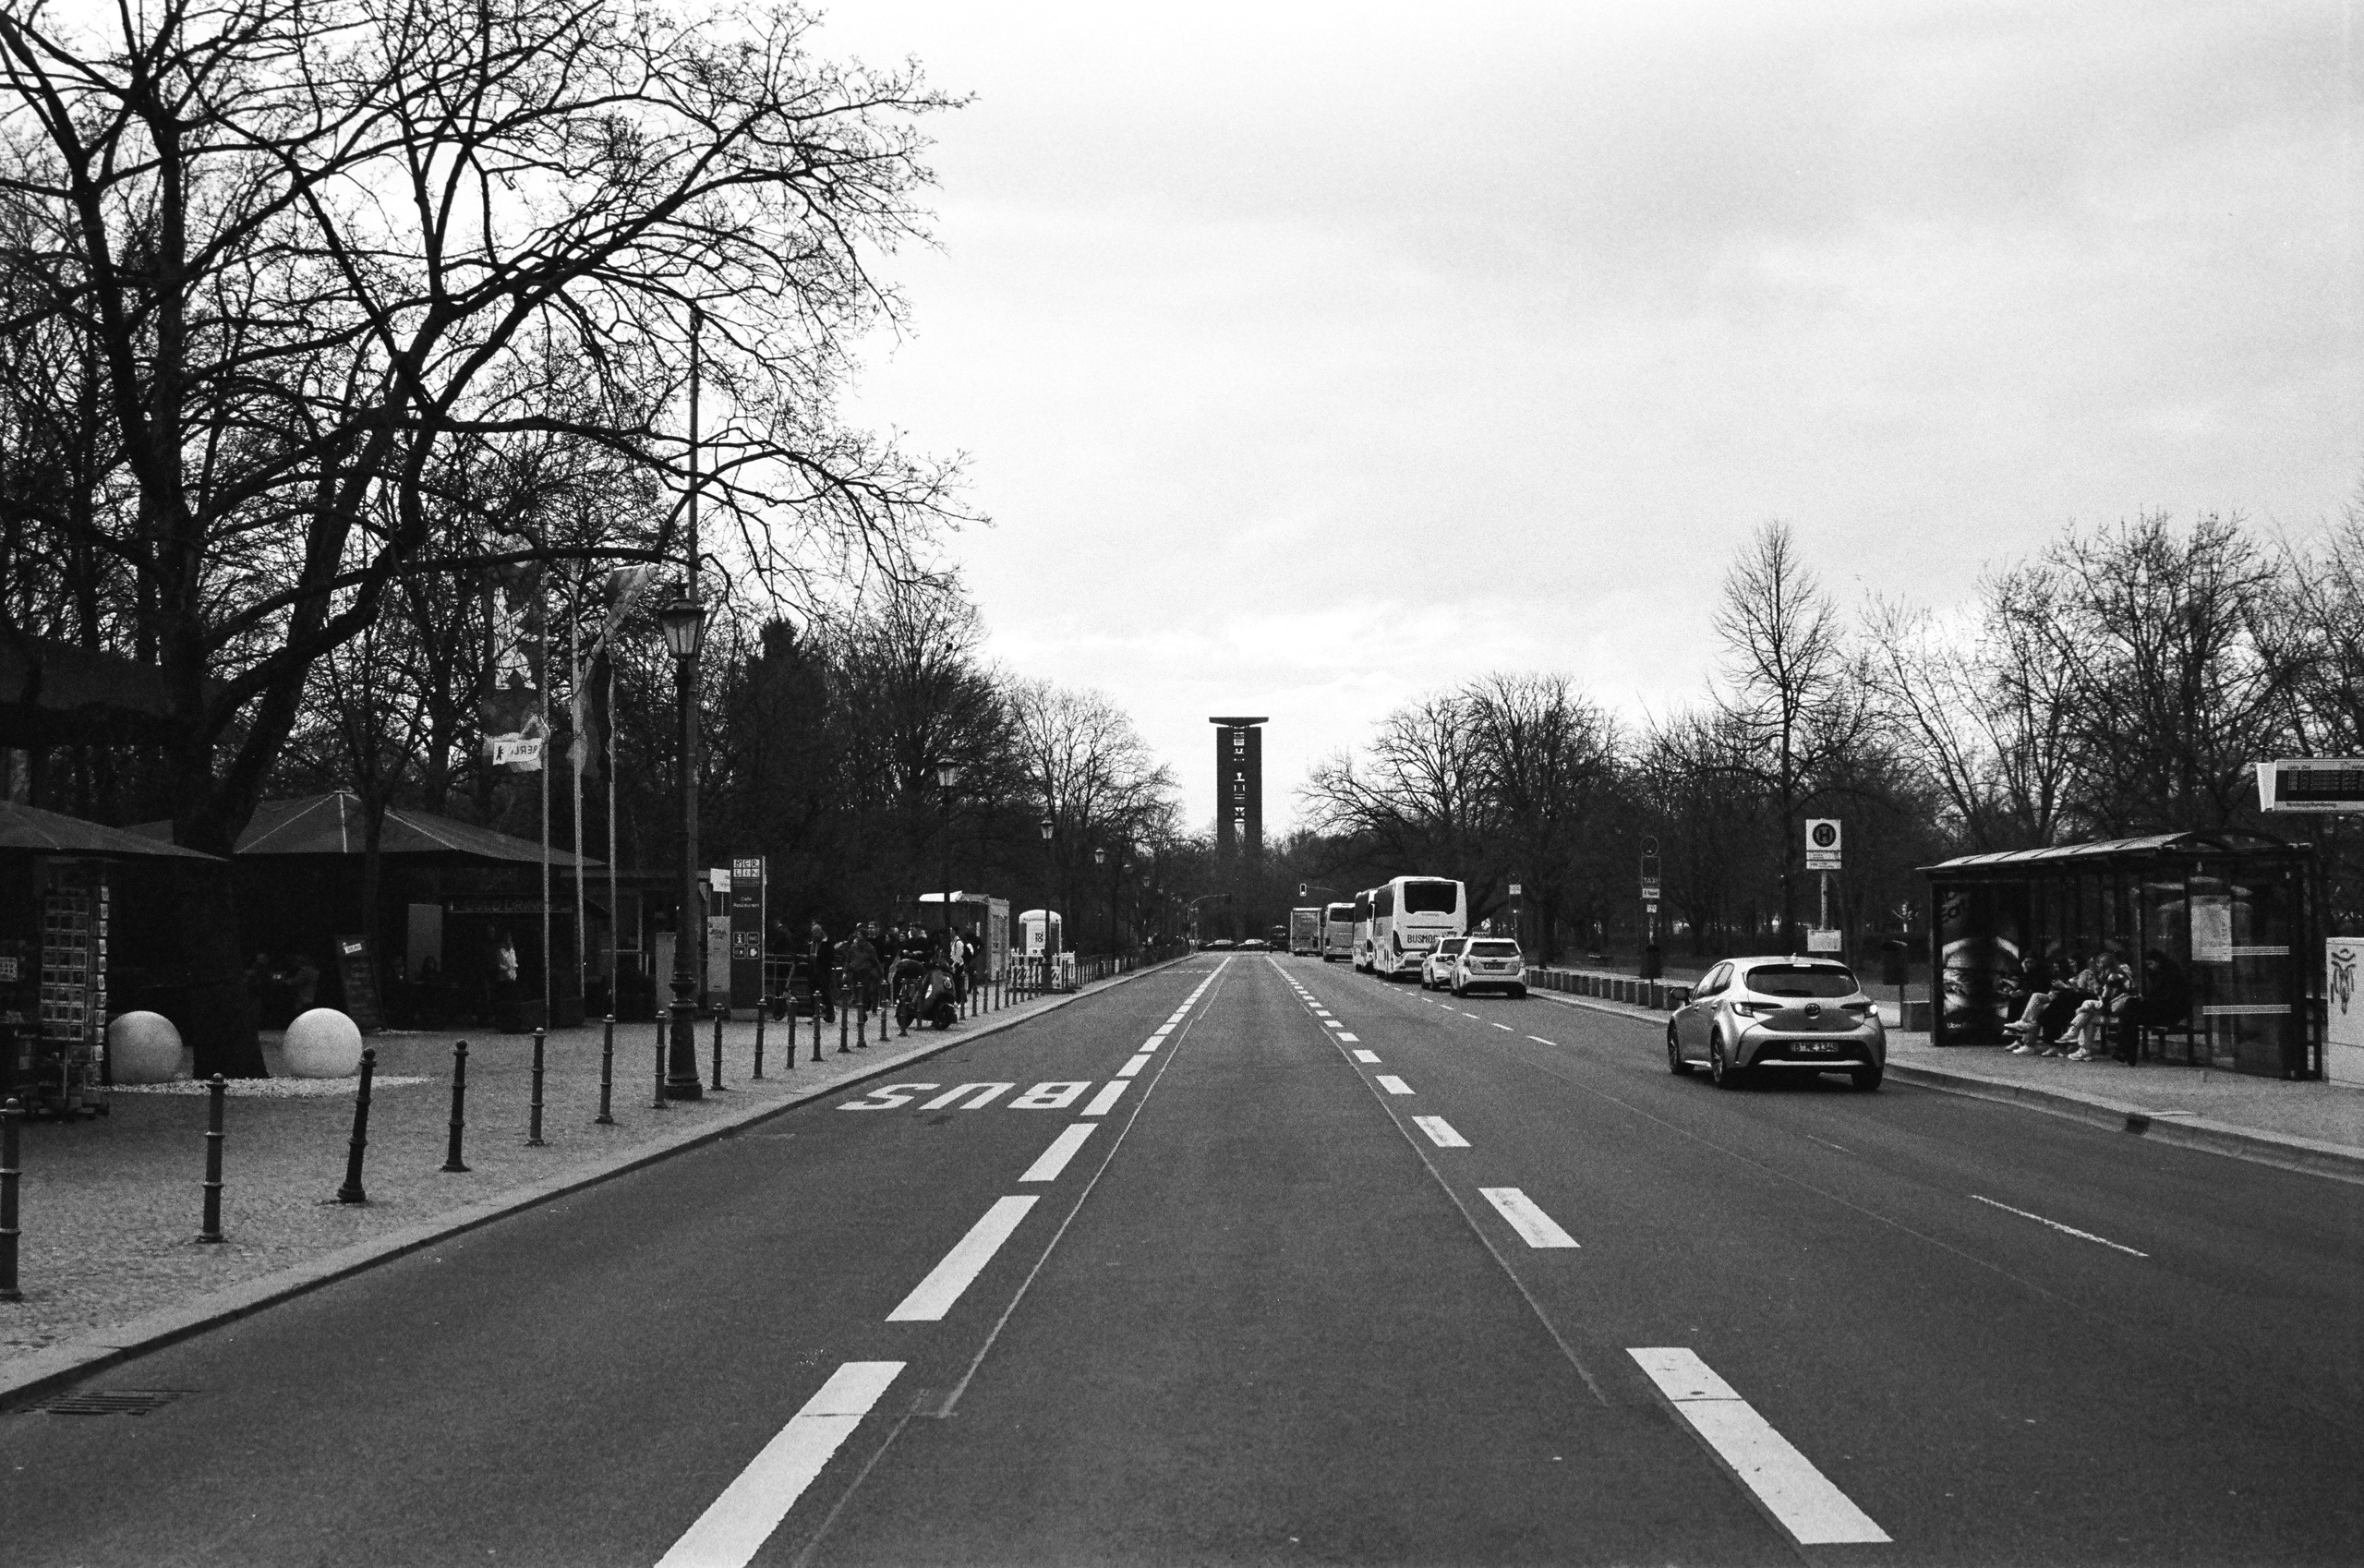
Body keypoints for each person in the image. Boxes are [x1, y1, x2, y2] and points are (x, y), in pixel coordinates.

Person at [842, 923, 885, 1025]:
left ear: (865, 937)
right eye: (857, 934)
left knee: (866, 995)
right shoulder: (853, 947)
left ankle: (864, 1009)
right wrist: (845, 972)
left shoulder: (870, 948)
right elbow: (848, 961)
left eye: (860, 935)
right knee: (857, 996)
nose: (858, 936)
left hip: (866, 974)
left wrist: (881, 975)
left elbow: (876, 962)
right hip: (855, 974)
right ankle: (862, 1015)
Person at [805, 920, 837, 1024]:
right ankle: (815, 1013)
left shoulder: (826, 943)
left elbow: (831, 957)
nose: (813, 936)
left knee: (825, 993)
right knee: (812, 993)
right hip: (812, 971)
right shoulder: (811, 943)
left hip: (823, 972)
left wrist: (818, 958)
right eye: (812, 934)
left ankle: (830, 1012)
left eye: (815, 933)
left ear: (820, 933)